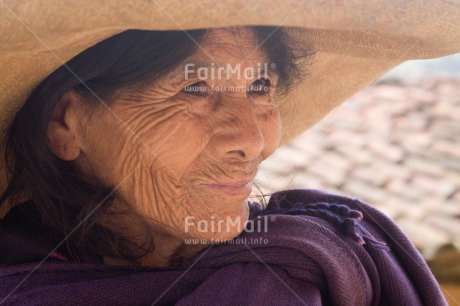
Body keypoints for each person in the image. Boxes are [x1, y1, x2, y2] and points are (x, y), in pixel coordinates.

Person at [0, 1, 459, 305]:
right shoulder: (21, 277)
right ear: (67, 124)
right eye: (194, 88)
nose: (252, 140)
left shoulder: (330, 250)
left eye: (261, 86)